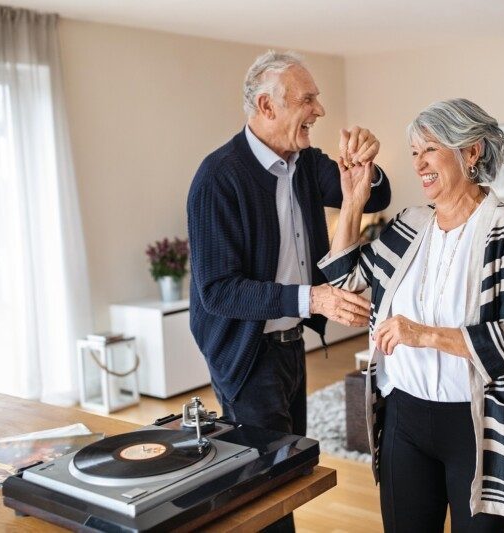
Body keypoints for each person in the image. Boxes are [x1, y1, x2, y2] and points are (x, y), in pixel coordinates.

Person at [319, 98, 504, 532]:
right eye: (414, 152)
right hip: (404, 418)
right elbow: (345, 280)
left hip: (479, 425)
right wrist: (353, 200)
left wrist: (423, 334)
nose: (418, 163)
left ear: (471, 151)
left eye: (430, 148)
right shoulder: (409, 224)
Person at [186, 50, 391, 532]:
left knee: (286, 475)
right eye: (308, 99)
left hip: (288, 344)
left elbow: (374, 196)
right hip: (245, 352)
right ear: (267, 106)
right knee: (262, 486)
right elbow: (218, 291)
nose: (319, 110)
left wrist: (368, 166)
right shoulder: (219, 178)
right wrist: (313, 298)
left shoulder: (304, 163)